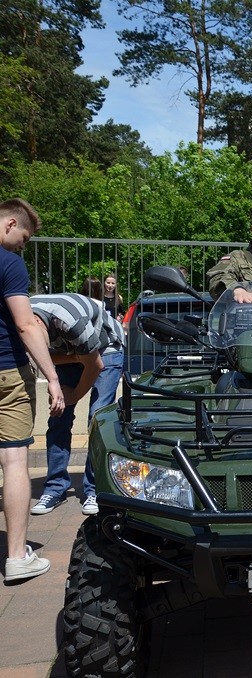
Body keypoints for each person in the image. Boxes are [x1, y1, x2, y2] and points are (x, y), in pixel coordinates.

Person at [0, 198, 65, 582]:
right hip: (6, 372)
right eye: (22, 240)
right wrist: (52, 377)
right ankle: (17, 558)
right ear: (10, 224)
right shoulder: (9, 263)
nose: (21, 248)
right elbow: (26, 324)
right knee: (13, 461)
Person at [29, 293, 125, 516]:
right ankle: (55, 488)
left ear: (40, 325)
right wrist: (62, 369)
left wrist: (72, 396)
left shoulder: (71, 320)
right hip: (68, 352)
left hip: (106, 349)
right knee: (58, 416)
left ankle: (95, 489)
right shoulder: (20, 320)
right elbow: (44, 357)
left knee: (97, 417)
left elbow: (95, 365)